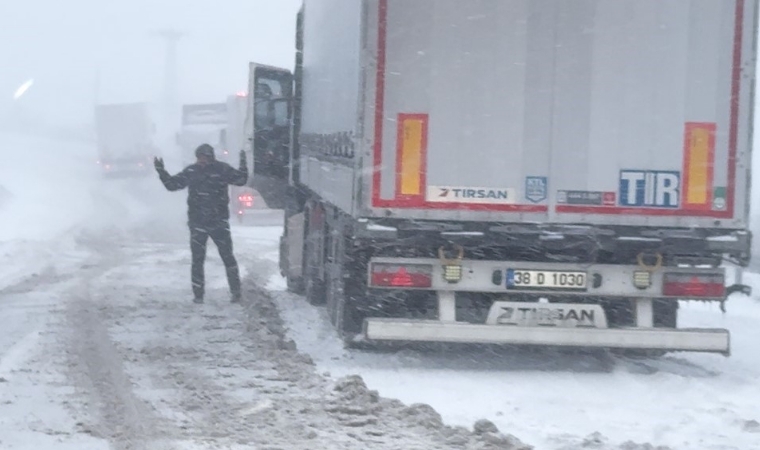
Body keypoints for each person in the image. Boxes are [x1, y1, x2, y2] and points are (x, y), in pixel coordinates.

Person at [154, 144, 248, 304]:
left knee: (227, 258)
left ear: (211, 157)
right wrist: (162, 172)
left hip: (217, 222)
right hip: (200, 222)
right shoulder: (196, 171)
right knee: (198, 260)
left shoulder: (219, 169)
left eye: (205, 158)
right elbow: (172, 185)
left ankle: (235, 292)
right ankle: (198, 295)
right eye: (200, 158)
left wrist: (243, 165)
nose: (202, 161)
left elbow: (240, 180)